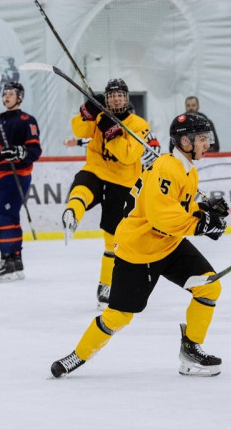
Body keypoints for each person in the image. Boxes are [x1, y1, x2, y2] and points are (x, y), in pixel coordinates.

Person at [50, 113, 229, 379]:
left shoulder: (185, 169)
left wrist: (203, 211)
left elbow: (177, 207)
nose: (207, 144)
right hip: (138, 250)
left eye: (206, 138)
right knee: (119, 315)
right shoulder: (167, 168)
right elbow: (162, 217)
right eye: (202, 139)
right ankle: (78, 355)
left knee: (209, 285)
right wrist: (201, 225)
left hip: (167, 244)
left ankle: (191, 350)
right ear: (185, 141)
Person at [61, 78, 151, 309]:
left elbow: (129, 156)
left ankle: (106, 285)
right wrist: (88, 111)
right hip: (96, 170)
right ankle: (71, 215)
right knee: (82, 185)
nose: (116, 98)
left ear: (127, 97)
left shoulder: (139, 125)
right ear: (107, 98)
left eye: (120, 94)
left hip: (123, 182)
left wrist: (112, 132)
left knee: (113, 240)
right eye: (111, 95)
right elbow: (79, 129)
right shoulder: (100, 115)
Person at [0, 81, 42, 283]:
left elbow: (34, 151)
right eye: (4, 94)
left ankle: (8, 260)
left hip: (17, 174)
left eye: (11, 94)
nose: (6, 97)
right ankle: (15, 261)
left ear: (19, 97)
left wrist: (17, 152)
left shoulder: (27, 120)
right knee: (9, 216)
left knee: (5, 217)